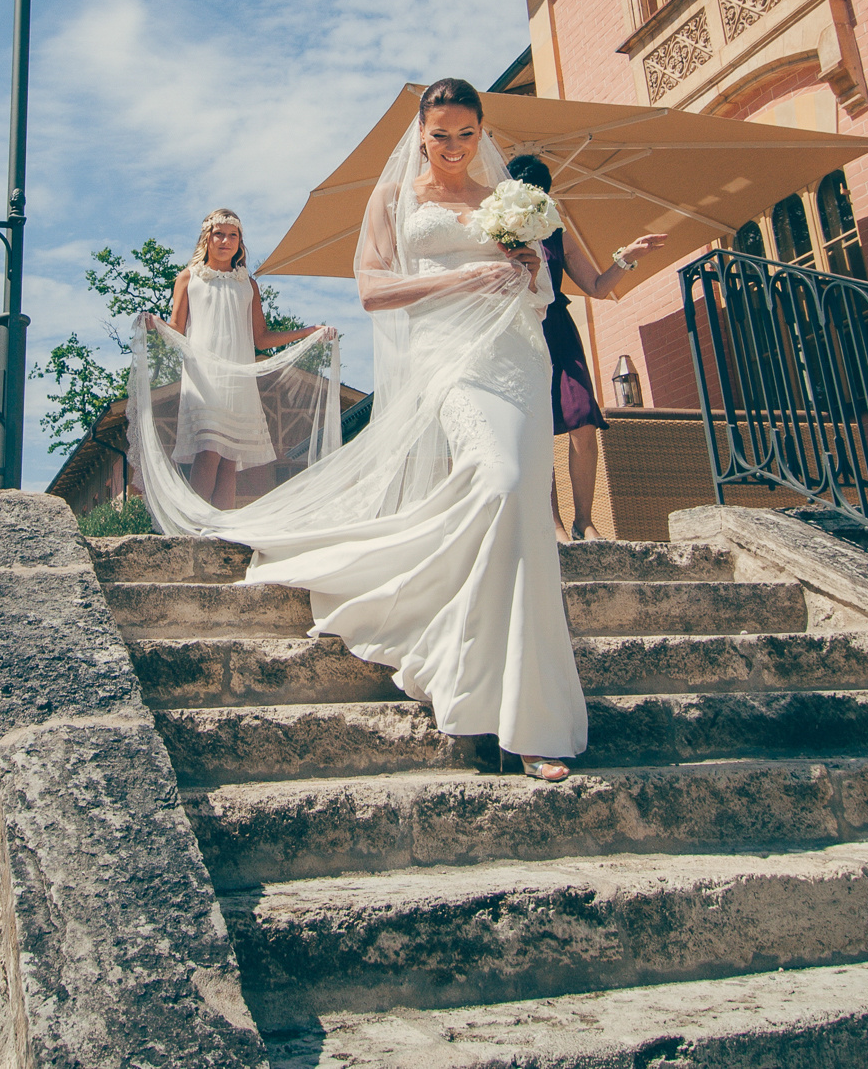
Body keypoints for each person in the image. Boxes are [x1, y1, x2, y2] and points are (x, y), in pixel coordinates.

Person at [129, 78, 586, 781]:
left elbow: (537, 287)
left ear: (483, 130)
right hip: (450, 362)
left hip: (518, 354)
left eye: (468, 134)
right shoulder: (394, 197)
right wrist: (459, 282)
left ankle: (529, 720)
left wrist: (525, 269)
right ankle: (455, 656)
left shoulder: (501, 197)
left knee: (523, 513)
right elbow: (374, 289)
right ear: (421, 132)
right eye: (442, 136)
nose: (456, 148)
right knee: (500, 483)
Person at [503, 154, 667, 540]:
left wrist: (626, 258)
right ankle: (553, 521)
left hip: (558, 329)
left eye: (541, 192)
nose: (535, 198)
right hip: (522, 332)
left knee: (582, 421)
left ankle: (584, 520)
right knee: (537, 427)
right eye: (527, 191)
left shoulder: (555, 231)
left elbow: (595, 286)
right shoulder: (500, 234)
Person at [147, 208, 336, 510]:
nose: (225, 240)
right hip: (204, 378)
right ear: (206, 239)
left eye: (233, 235)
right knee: (208, 449)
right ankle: (192, 527)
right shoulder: (189, 278)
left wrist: (308, 331)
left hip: (238, 380)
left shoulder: (247, 284)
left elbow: (261, 337)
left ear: (240, 242)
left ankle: (220, 533)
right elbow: (176, 328)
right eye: (219, 234)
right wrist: (155, 324)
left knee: (228, 458)